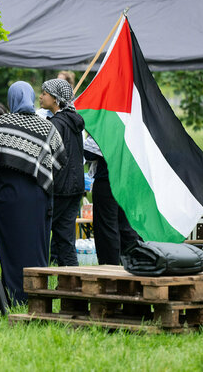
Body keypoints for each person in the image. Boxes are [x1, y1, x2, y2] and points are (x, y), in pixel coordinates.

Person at [0, 81, 66, 304]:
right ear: (30, 97)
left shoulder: (3, 124)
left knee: (9, 247)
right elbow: (59, 159)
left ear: (11, 98)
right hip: (36, 195)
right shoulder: (46, 126)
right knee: (36, 245)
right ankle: (37, 296)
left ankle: (13, 296)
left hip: (7, 196)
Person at [40, 79, 84, 266]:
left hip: (59, 187)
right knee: (65, 238)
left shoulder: (56, 124)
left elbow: (49, 158)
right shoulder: (73, 121)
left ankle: (42, 274)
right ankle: (71, 285)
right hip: (75, 187)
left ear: (56, 99)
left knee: (45, 232)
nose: (41, 97)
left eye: (45, 93)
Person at [84, 135, 142, 265]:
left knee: (107, 228)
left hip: (108, 180)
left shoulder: (108, 122)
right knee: (127, 227)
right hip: (130, 181)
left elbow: (89, 152)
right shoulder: (135, 123)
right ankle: (135, 265)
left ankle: (110, 271)